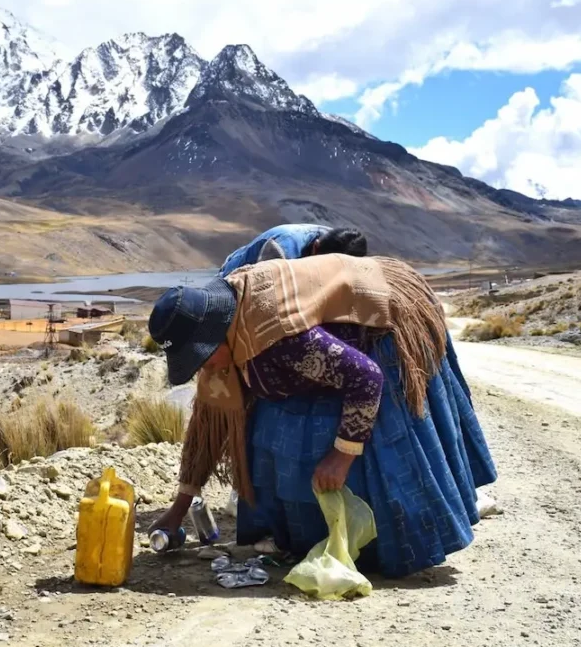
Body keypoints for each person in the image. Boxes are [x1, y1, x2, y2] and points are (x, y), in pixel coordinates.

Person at [148, 253, 497, 578]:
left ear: (217, 335)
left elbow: (366, 377)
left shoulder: (276, 336)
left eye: (204, 359)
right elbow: (207, 425)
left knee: (375, 448)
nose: (203, 369)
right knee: (271, 430)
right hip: (315, 349)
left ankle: (397, 541)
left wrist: (342, 455)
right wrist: (180, 507)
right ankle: (300, 534)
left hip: (386, 319)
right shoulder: (224, 328)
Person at [219, 224, 497, 530]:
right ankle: (250, 491)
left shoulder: (334, 266)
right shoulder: (275, 267)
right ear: (315, 254)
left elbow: (364, 376)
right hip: (248, 316)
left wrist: (344, 452)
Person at [218, 224, 367, 275]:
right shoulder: (282, 250)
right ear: (315, 247)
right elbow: (260, 291)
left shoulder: (342, 246)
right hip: (233, 276)